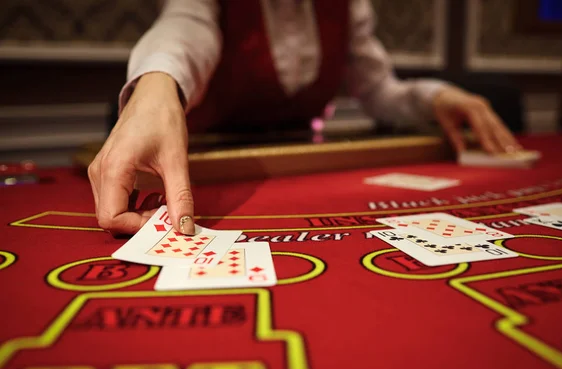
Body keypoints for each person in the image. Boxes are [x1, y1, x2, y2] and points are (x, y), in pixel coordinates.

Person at [88, 0, 524, 236]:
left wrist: (436, 98)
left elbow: (378, 90)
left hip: (301, 164)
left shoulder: (348, 6)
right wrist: (159, 82)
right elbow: (185, 24)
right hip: (203, 168)